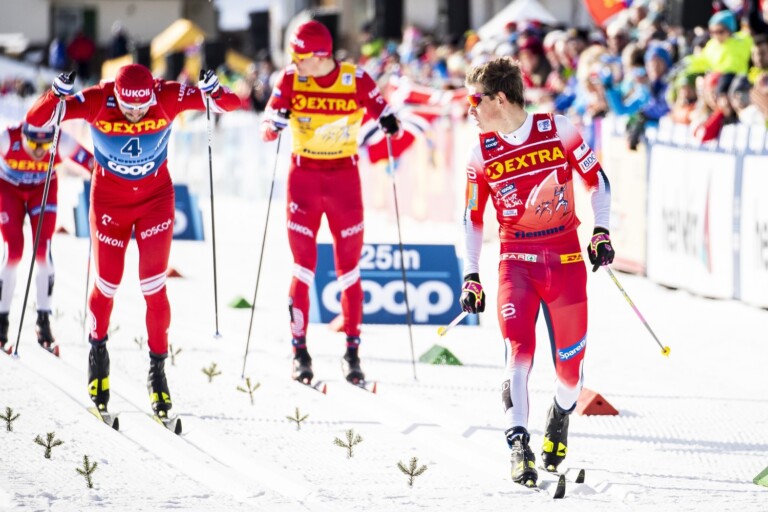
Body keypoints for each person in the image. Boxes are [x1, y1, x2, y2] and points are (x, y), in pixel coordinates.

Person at [26, 64, 240, 419]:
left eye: (142, 108)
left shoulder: (167, 95)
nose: (136, 114)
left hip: (156, 200)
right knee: (107, 284)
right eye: (128, 108)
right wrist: (55, 94)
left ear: (151, 94)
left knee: (154, 287)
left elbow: (229, 104)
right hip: (109, 202)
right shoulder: (98, 99)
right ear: (117, 96)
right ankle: (98, 354)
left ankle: (157, 372)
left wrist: (214, 88)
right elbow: (37, 119)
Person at [459, 57, 614, 487]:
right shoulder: (480, 153)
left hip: (565, 263)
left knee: (570, 372)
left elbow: (597, 181)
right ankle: (518, 446)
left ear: (500, 98)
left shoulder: (557, 129)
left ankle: (560, 414)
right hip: (517, 264)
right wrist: (471, 274)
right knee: (518, 354)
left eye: (474, 101)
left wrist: (601, 231)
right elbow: (472, 217)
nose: (470, 111)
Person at [259, 20, 399, 385]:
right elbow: (265, 127)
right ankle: (300, 353)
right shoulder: (291, 79)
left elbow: (386, 114)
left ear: (320, 55)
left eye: (299, 56)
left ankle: (352, 354)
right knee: (303, 267)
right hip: (304, 180)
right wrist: (274, 125)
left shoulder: (356, 79)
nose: (294, 62)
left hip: (343, 182)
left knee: (349, 269)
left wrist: (389, 123)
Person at [0, 122, 93, 354]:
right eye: (33, 144)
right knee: (13, 252)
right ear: (24, 136)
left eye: (45, 144)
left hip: (42, 188)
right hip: (9, 190)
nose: (40, 150)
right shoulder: (8, 139)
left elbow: (93, 164)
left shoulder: (62, 142)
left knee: (42, 251)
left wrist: (98, 177)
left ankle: (43, 322)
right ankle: (2, 321)